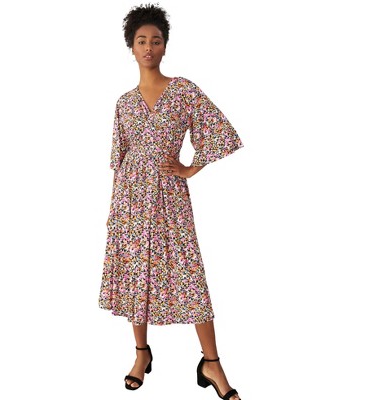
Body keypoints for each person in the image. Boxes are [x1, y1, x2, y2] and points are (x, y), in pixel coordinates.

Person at [98, 4, 244, 400]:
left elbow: (220, 132)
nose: (149, 47)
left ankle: (211, 362)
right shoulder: (123, 103)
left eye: (156, 40)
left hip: (169, 197)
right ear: (131, 47)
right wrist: (115, 213)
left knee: (189, 274)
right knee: (135, 274)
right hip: (130, 200)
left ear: (165, 46)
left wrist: (191, 168)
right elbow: (119, 160)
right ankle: (141, 354)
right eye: (141, 41)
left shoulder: (183, 91)